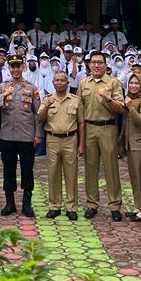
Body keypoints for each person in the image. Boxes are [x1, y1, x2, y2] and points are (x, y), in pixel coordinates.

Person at [0, 55, 42, 218]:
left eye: (18, 66)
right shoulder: (2, 87)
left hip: (26, 136)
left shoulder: (32, 87)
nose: (15, 70)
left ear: (23, 67)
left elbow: (38, 113)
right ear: (9, 68)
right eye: (12, 67)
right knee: (8, 169)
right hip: (7, 135)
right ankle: (10, 203)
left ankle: (27, 204)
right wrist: (6, 94)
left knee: (27, 169)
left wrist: (38, 134)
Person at [78, 51, 125, 221]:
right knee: (90, 168)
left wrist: (108, 98)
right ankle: (92, 204)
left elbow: (121, 108)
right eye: (93, 62)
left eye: (100, 62)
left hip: (107, 128)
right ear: (89, 65)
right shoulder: (83, 83)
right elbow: (79, 109)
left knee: (111, 167)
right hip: (89, 128)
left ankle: (115, 205)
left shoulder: (114, 83)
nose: (96, 65)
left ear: (106, 65)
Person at [38, 70, 84, 220]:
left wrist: (81, 144)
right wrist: (46, 106)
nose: (59, 83)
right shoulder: (47, 99)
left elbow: (81, 123)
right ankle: (54, 206)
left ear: (67, 82)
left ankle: (71, 207)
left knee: (71, 174)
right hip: (52, 139)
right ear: (52, 83)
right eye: (56, 80)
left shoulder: (75, 100)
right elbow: (40, 118)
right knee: (53, 174)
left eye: (62, 80)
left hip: (70, 139)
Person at [121, 72, 141, 222]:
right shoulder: (131, 99)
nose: (133, 86)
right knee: (134, 177)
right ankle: (138, 206)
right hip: (131, 144)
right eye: (131, 83)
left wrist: (131, 108)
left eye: (136, 83)